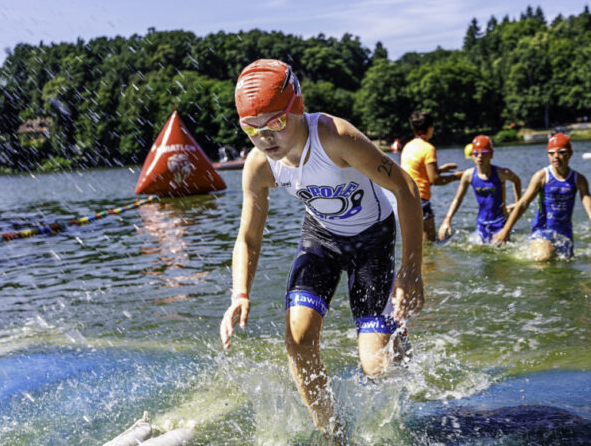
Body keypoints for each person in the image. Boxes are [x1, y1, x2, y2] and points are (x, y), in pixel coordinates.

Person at [219, 59, 424, 439]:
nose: (265, 137)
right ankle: (331, 432)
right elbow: (248, 236)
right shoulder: (259, 165)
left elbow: (405, 188)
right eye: (252, 128)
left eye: (276, 123)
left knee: (376, 368)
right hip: (322, 237)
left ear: (297, 106)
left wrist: (411, 268)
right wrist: (239, 293)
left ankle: (397, 340)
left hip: (371, 241)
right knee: (298, 336)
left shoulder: (335, 137)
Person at [492, 134, 591, 261]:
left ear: (570, 153)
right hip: (542, 231)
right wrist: (506, 230)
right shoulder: (542, 176)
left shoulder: (578, 179)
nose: (556, 157)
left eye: (561, 152)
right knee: (543, 258)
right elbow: (523, 203)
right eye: (551, 153)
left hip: (565, 234)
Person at [438, 135, 521, 243]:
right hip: (481, 224)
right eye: (476, 153)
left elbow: (517, 181)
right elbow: (457, 199)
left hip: (500, 223)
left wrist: (518, 203)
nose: (480, 157)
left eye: (484, 153)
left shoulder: (502, 173)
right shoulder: (468, 175)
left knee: (498, 248)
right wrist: (447, 220)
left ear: (491, 154)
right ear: (472, 155)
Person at [400, 111, 462, 242]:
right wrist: (456, 176)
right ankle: (429, 264)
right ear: (429, 128)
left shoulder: (408, 146)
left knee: (416, 242)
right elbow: (435, 180)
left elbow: (416, 172)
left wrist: (439, 170)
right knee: (429, 242)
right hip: (420, 198)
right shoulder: (428, 149)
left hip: (405, 198)